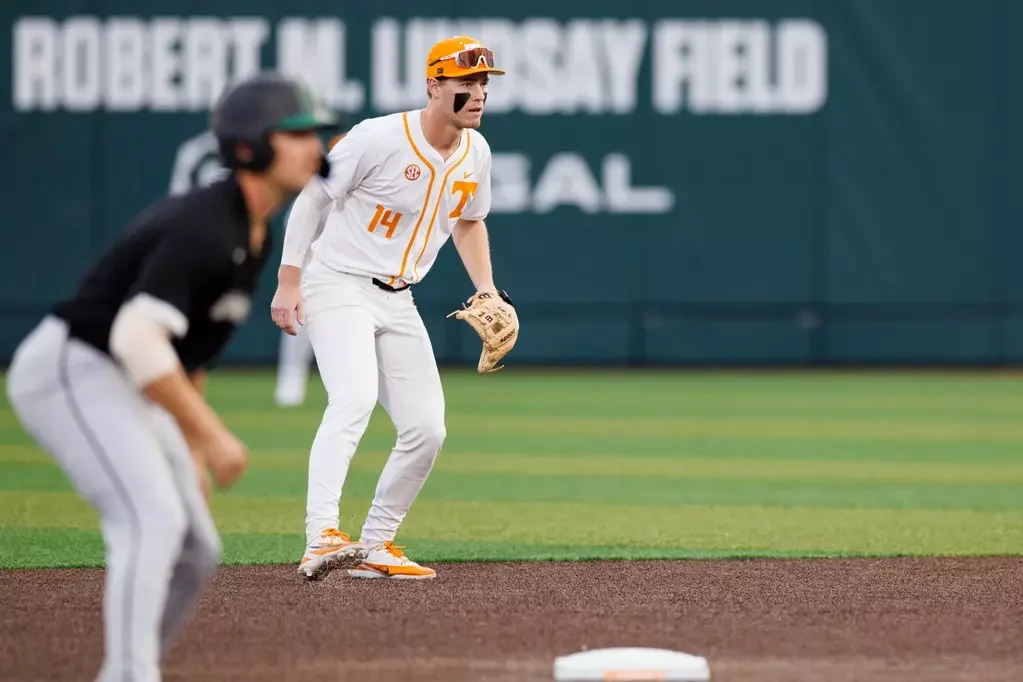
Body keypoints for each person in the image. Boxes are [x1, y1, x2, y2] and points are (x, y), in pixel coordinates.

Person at [5, 72, 337, 681]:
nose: (312, 145)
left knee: (195, 549)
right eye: (294, 133)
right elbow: (135, 338)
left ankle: (128, 671)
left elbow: (185, 356)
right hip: (72, 369)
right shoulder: (206, 225)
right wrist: (210, 436)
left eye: (314, 132)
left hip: (129, 378)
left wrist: (189, 453)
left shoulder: (253, 231)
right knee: (150, 520)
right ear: (249, 146)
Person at [271, 36, 517, 581]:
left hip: (398, 296)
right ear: (433, 86)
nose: (479, 93)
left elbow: (469, 220)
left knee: (428, 429)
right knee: (353, 399)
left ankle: (377, 544)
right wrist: (289, 280)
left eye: (483, 83)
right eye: (466, 82)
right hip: (338, 281)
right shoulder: (379, 137)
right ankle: (320, 535)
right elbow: (313, 197)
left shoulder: (476, 152)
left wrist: (487, 288)